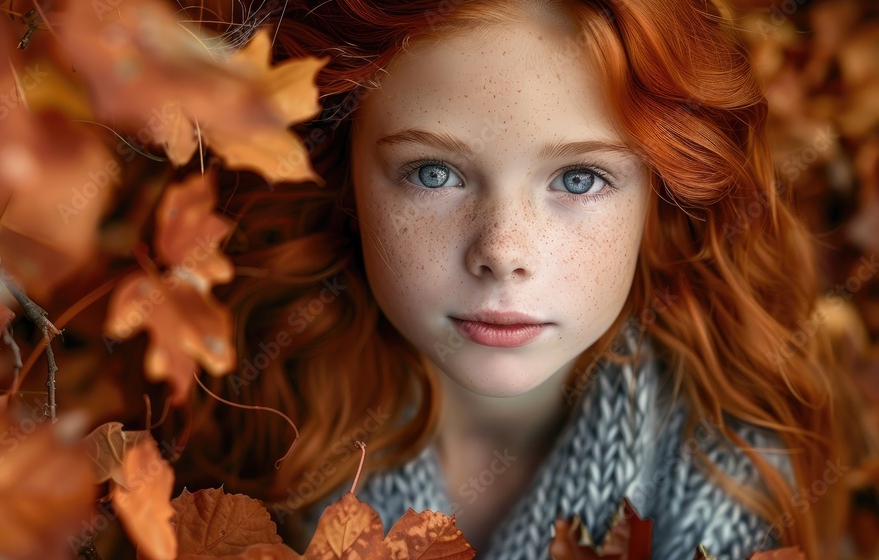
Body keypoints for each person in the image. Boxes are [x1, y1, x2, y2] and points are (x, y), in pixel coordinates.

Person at [198, 0, 870, 558]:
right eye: (433, 172)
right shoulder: (239, 414)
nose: (502, 251)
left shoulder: (743, 478)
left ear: (658, 198)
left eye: (579, 179)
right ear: (343, 175)